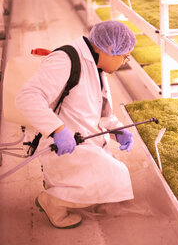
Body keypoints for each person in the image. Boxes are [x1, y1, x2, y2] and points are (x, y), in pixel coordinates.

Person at [15, 20, 137, 229]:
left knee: (116, 182)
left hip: (84, 142)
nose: (125, 62)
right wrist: (58, 130)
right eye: (124, 56)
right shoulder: (66, 60)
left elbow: (101, 111)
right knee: (116, 178)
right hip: (62, 146)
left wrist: (118, 130)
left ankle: (66, 189)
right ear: (110, 48)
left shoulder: (96, 65)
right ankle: (52, 202)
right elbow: (27, 98)